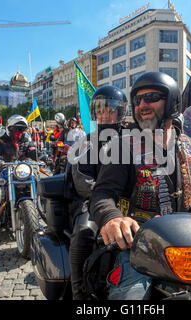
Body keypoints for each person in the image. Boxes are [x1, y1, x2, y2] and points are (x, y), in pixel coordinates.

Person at [88, 72, 191, 300]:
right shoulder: (123, 145)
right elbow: (102, 193)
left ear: (172, 102)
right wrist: (112, 218)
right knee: (131, 296)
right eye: (137, 100)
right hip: (141, 246)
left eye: (150, 97)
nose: (142, 105)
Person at [69, 85, 128, 300]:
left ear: (120, 111)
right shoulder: (86, 142)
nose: (104, 115)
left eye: (110, 110)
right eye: (100, 111)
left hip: (128, 201)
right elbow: (82, 179)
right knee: (84, 232)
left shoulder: (133, 138)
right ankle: (79, 294)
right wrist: (104, 196)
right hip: (93, 200)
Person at [0, 115, 38, 239]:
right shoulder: (1, 140)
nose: (19, 132)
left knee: (40, 186)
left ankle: (39, 215)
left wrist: (40, 156)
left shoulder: (26, 140)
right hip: (4, 169)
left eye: (22, 129)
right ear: (10, 128)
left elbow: (33, 150)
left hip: (23, 171)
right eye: (17, 129)